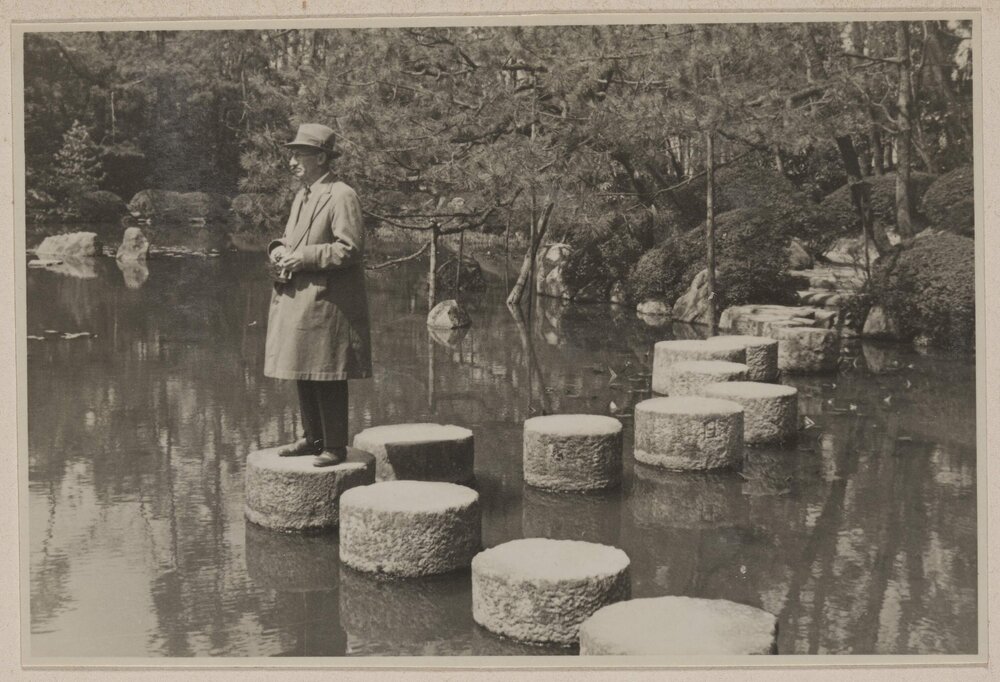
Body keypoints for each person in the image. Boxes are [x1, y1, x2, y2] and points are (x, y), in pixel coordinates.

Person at [264, 123, 371, 467]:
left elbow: (349, 248)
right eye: (292, 155)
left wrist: (304, 258)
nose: (292, 161)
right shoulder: (304, 195)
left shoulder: (341, 195)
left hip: (328, 302)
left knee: (327, 372)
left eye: (299, 155)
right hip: (302, 300)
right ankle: (312, 438)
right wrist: (279, 249)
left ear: (322, 158)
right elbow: (292, 238)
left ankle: (335, 446)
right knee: (302, 367)